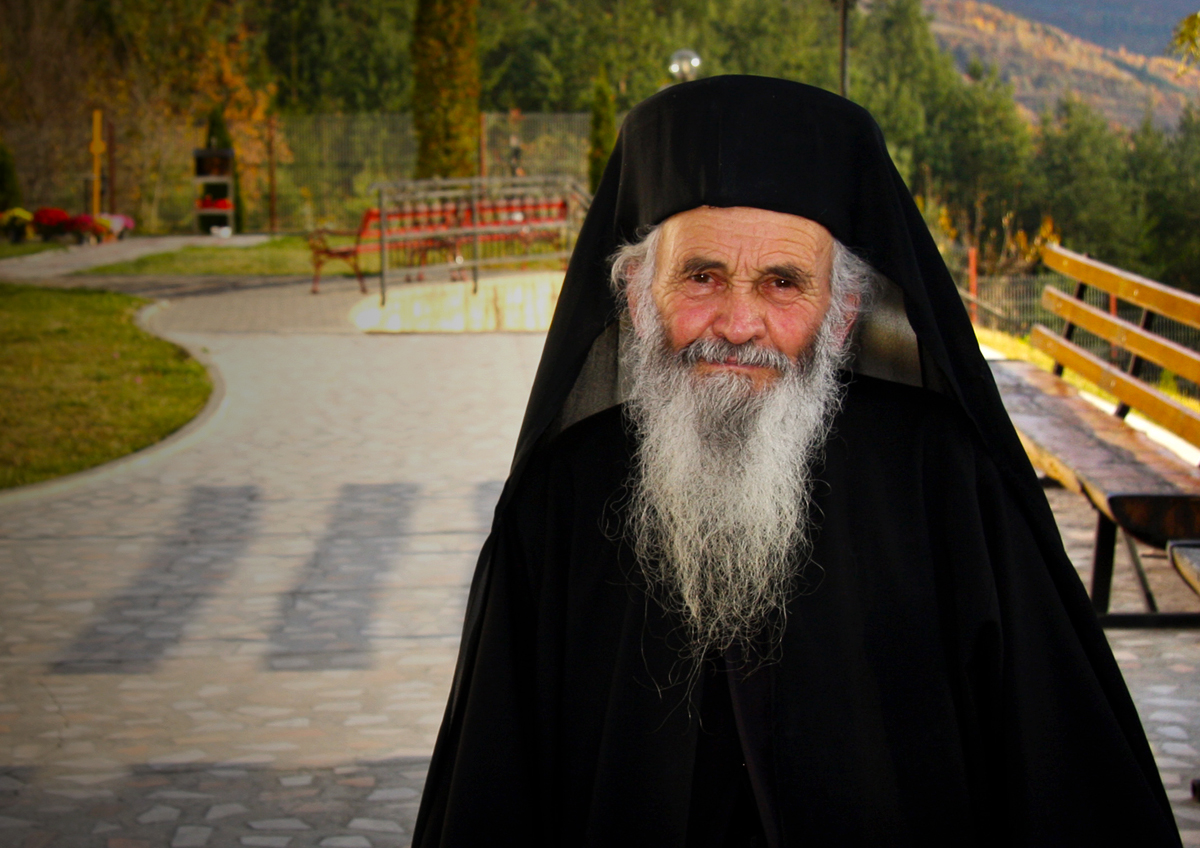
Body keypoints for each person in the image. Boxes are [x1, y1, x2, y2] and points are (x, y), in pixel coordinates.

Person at [413, 76, 1181, 846]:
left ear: (841, 312)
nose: (738, 324)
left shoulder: (945, 482)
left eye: (782, 283)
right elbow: (491, 793)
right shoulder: (561, 498)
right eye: (703, 277)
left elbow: (1068, 783)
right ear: (639, 296)